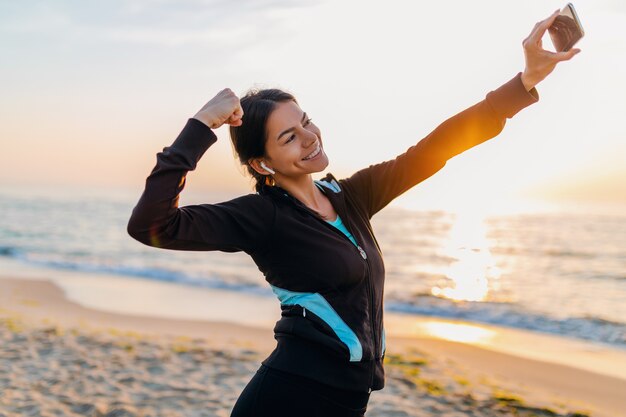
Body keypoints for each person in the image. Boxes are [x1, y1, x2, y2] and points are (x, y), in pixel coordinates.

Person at [127, 9, 580, 417]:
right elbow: (151, 226)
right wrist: (200, 126)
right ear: (263, 165)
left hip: (347, 401)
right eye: (289, 137)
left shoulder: (350, 198)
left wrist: (525, 82)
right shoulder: (263, 217)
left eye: (305, 121)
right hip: (289, 398)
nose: (308, 137)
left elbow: (434, 150)